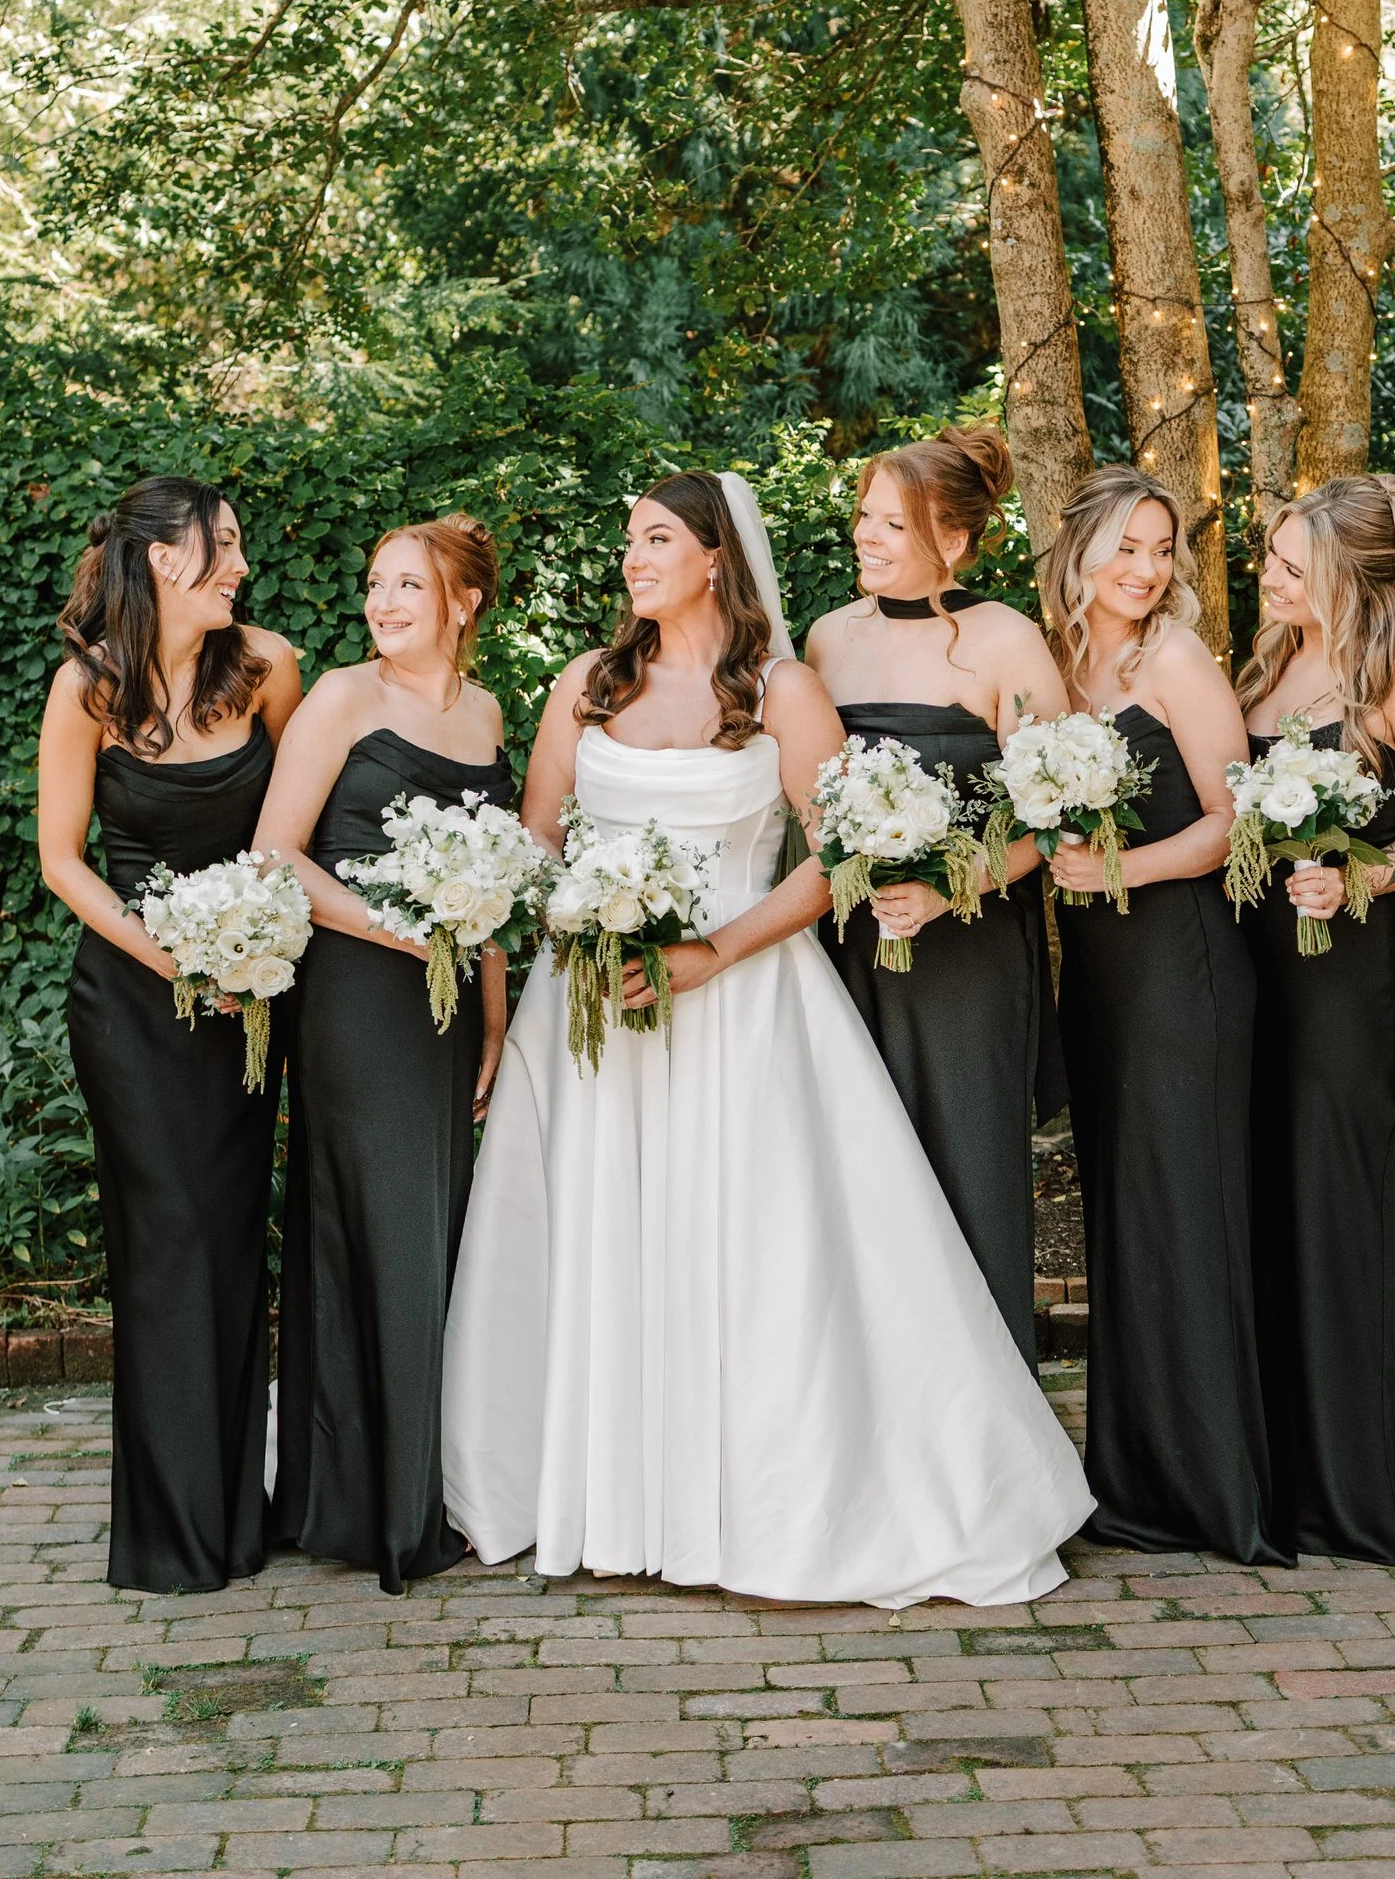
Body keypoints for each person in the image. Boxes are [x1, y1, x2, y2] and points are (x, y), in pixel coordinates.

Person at [442, 470, 1093, 1605]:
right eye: (630, 539)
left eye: (657, 538)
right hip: (593, 1010)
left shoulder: (785, 689)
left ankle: (760, 1505)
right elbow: (536, 841)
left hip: (743, 1003)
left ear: (714, 558)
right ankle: (597, 1494)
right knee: (599, 1235)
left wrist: (713, 951)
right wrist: (567, 923)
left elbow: (838, 856)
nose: (634, 558)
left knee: (749, 1249)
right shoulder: (587, 684)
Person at [37, 478, 302, 1593]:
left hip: (248, 1007)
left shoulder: (270, 667)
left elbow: (298, 834)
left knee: (233, 1237)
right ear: (159, 559)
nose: (239, 565)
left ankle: (236, 1518)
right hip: (135, 1008)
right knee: (166, 1241)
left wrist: (256, 954)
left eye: (238, 545)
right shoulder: (87, 689)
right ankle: (167, 1531)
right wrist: (176, 960)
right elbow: (62, 861)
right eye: (221, 546)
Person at [253, 513, 512, 1594]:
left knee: (439, 1229)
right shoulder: (341, 699)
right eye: (376, 583)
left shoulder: (487, 713)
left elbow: (496, 888)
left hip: (450, 1013)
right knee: (382, 1229)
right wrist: (396, 932)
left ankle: (395, 1487)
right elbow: (275, 853)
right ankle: (389, 1512)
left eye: (409, 584)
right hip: (358, 997)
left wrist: (494, 1018)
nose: (384, 602)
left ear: (464, 602)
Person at [1240, 474, 1395, 1564]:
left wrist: (1369, 878)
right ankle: (1275, 1466)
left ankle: (1353, 1482)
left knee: (1337, 1201)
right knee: (1264, 1195)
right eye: (1272, 557)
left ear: (1352, 574)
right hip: (1252, 964)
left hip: (1341, 974)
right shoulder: (1271, 662)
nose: (1269, 576)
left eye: (1293, 565)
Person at [1045, 466, 1286, 1567]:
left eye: (1160, 549)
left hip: (1182, 965)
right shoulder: (1053, 664)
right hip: (1099, 979)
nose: (1146, 570)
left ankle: (1213, 1489)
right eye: (1127, 548)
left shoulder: (1176, 660)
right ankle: (1134, 1477)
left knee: (1186, 1211)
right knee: (1126, 1215)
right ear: (1082, 551)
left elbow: (1237, 822)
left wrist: (1119, 871)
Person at [804, 424, 1067, 1365]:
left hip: (969, 955)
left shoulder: (1007, 641)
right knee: (858, 1176)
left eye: (892, 524)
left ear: (952, 541)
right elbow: (810, 797)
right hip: (851, 947)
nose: (866, 537)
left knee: (965, 1166)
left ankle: (989, 1415)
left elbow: (1060, 815)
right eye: (865, 517)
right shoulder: (827, 638)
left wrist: (954, 890)